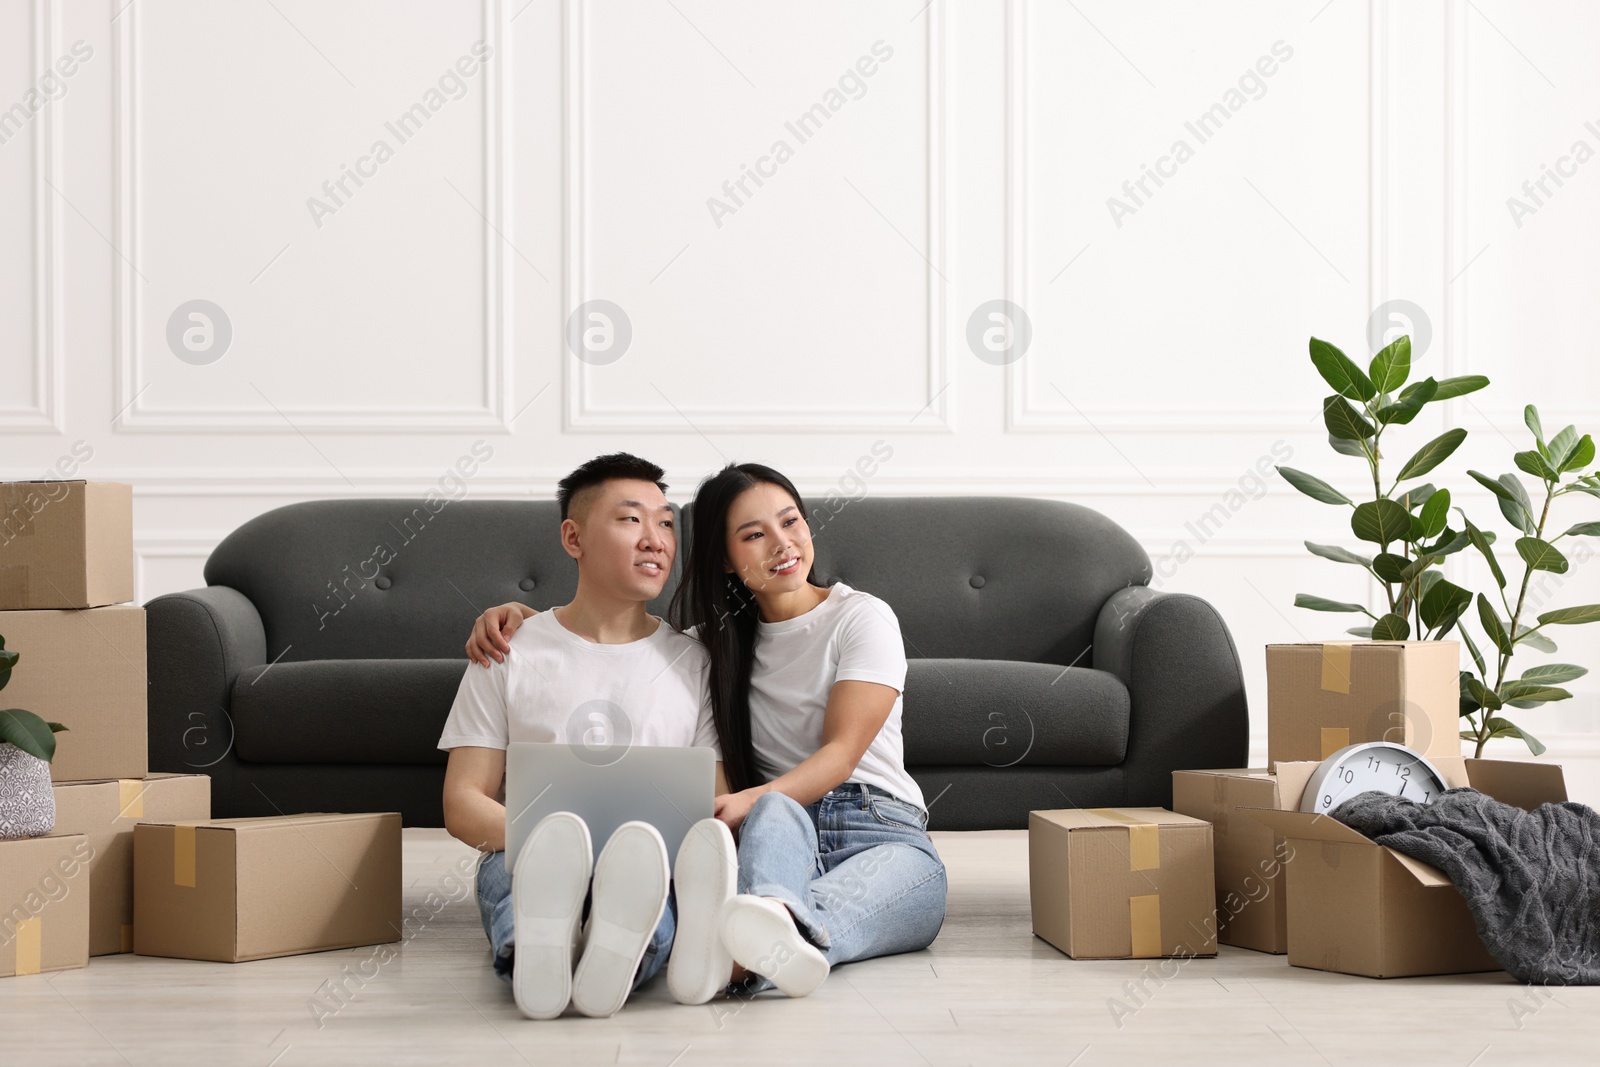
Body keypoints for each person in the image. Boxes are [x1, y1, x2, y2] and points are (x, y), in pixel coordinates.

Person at [467, 462, 947, 999]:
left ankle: (753, 943)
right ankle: (739, 941)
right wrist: (527, 624)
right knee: (774, 818)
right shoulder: (710, 647)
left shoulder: (861, 617)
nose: (782, 544)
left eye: (791, 523)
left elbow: (840, 754)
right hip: (778, 836)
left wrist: (745, 801)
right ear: (724, 558)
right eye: (754, 535)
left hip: (873, 824)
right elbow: (607, 648)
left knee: (910, 891)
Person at [439, 452, 737, 1020]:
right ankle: (536, 951)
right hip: (528, 851)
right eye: (630, 520)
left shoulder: (695, 662)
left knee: (656, 893)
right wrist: (563, 846)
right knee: (507, 871)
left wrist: (614, 860)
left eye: (667, 523)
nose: (655, 539)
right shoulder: (507, 649)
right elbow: (462, 802)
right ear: (573, 538)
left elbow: (713, 806)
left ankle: (617, 955)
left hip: (651, 863)